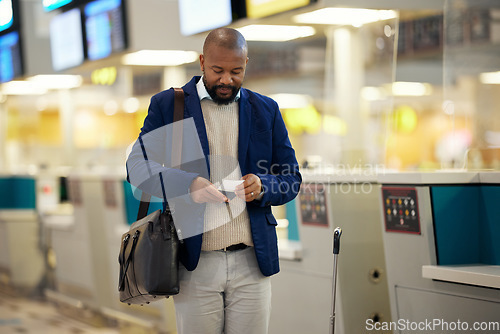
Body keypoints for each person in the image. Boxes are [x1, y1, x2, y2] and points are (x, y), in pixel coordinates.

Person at [126, 27, 301, 334]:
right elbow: (137, 167)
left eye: (236, 71)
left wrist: (263, 186)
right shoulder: (170, 106)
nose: (226, 80)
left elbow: (291, 178)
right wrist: (186, 184)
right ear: (202, 61)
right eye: (218, 70)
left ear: (247, 63)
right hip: (195, 260)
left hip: (252, 262)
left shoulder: (266, 110)